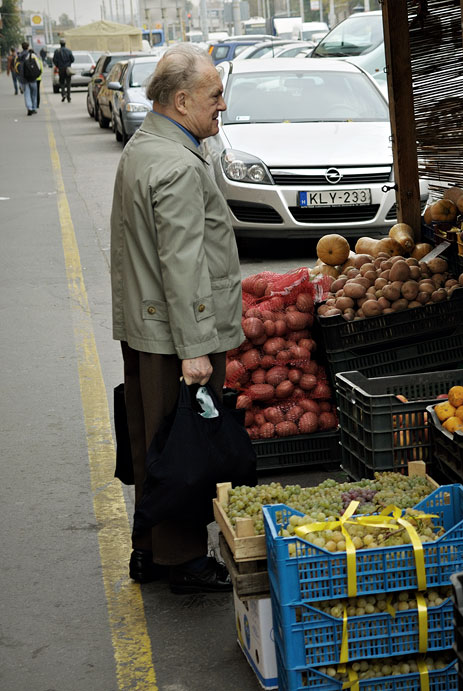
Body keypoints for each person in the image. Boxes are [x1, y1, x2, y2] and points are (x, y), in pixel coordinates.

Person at [109, 43, 240, 594]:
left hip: (146, 325)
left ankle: (150, 549)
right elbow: (183, 264)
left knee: (152, 443)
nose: (223, 105)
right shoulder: (176, 165)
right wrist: (195, 348)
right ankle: (184, 558)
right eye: (214, 96)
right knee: (184, 445)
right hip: (176, 334)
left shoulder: (147, 145)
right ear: (182, 100)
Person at [17, 43, 42, 115]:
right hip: (32, 78)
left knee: (27, 94)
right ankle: (34, 108)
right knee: (34, 94)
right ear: (28, 47)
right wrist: (37, 75)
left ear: (22, 47)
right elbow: (38, 66)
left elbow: (16, 68)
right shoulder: (32, 55)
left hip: (24, 79)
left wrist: (20, 76)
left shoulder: (19, 56)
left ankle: (29, 108)